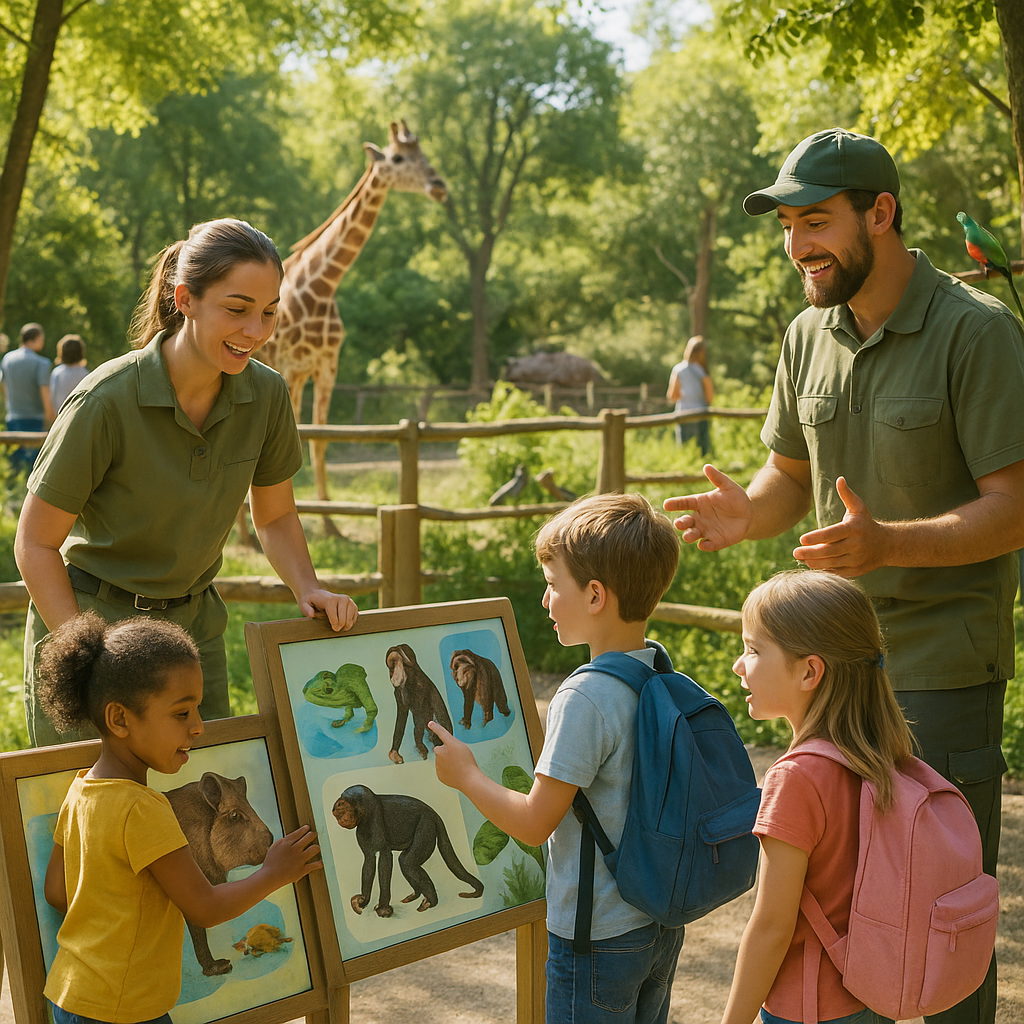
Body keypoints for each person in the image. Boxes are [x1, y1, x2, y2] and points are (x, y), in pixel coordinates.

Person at [664, 127, 1024, 1024]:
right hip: (829, 673)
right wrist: (746, 512)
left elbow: (1015, 506)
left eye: (816, 223)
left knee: (931, 923)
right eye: (787, 227)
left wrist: (889, 544)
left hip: (939, 672)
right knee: (838, 913)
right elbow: (789, 476)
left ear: (882, 213)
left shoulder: (978, 333)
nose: (797, 248)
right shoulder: (804, 336)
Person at [15, 218, 359, 748]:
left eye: (268, 312)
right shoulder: (104, 400)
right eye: (237, 309)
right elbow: (35, 543)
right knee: (85, 817)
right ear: (186, 299)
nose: (256, 330)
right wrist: (91, 651)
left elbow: (275, 515)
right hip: (90, 627)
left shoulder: (266, 396)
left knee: (203, 809)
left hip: (193, 635)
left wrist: (307, 585)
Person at [429, 492, 684, 1024]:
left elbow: (533, 821)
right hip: (658, 924)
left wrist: (467, 775)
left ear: (594, 595)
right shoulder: (660, 670)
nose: (545, 602)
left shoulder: (584, 698)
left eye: (552, 585)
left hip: (595, 938)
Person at [37, 611, 322, 1024]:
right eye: (181, 714)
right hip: (125, 1010)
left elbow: (57, 892)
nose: (199, 727)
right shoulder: (145, 808)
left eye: (197, 711)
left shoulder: (81, 790)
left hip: (72, 996)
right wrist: (274, 872)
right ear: (120, 719)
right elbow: (204, 907)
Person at [722, 570, 909, 1024]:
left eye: (753, 649)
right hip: (873, 996)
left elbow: (771, 928)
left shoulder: (797, 778)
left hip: (808, 1007)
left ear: (810, 670)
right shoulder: (881, 754)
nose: (738, 665)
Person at [1, 322, 55, 473]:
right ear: (35, 339)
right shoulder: (42, 363)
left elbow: (4, 387)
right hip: (35, 419)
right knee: (34, 470)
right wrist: (51, 416)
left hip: (13, 417)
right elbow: (44, 391)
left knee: (15, 467)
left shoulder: (7, 359)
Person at [666, 335, 714, 456]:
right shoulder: (701, 371)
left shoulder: (678, 369)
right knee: (703, 450)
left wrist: (686, 395)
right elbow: (710, 395)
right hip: (701, 413)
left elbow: (672, 396)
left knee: (684, 449)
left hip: (683, 413)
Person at [49, 334, 89, 413]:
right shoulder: (86, 373)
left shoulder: (57, 373)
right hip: (80, 415)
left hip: (61, 415)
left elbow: (53, 398)